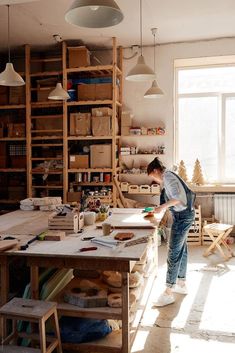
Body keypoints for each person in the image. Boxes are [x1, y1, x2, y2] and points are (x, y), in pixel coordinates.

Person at [147, 157, 196, 307]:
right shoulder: (169, 175)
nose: (154, 180)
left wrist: (162, 208)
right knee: (182, 249)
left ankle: (168, 292)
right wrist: (163, 207)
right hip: (185, 215)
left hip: (183, 217)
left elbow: (178, 198)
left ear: (155, 171)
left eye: (152, 177)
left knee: (173, 251)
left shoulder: (167, 177)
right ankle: (181, 284)